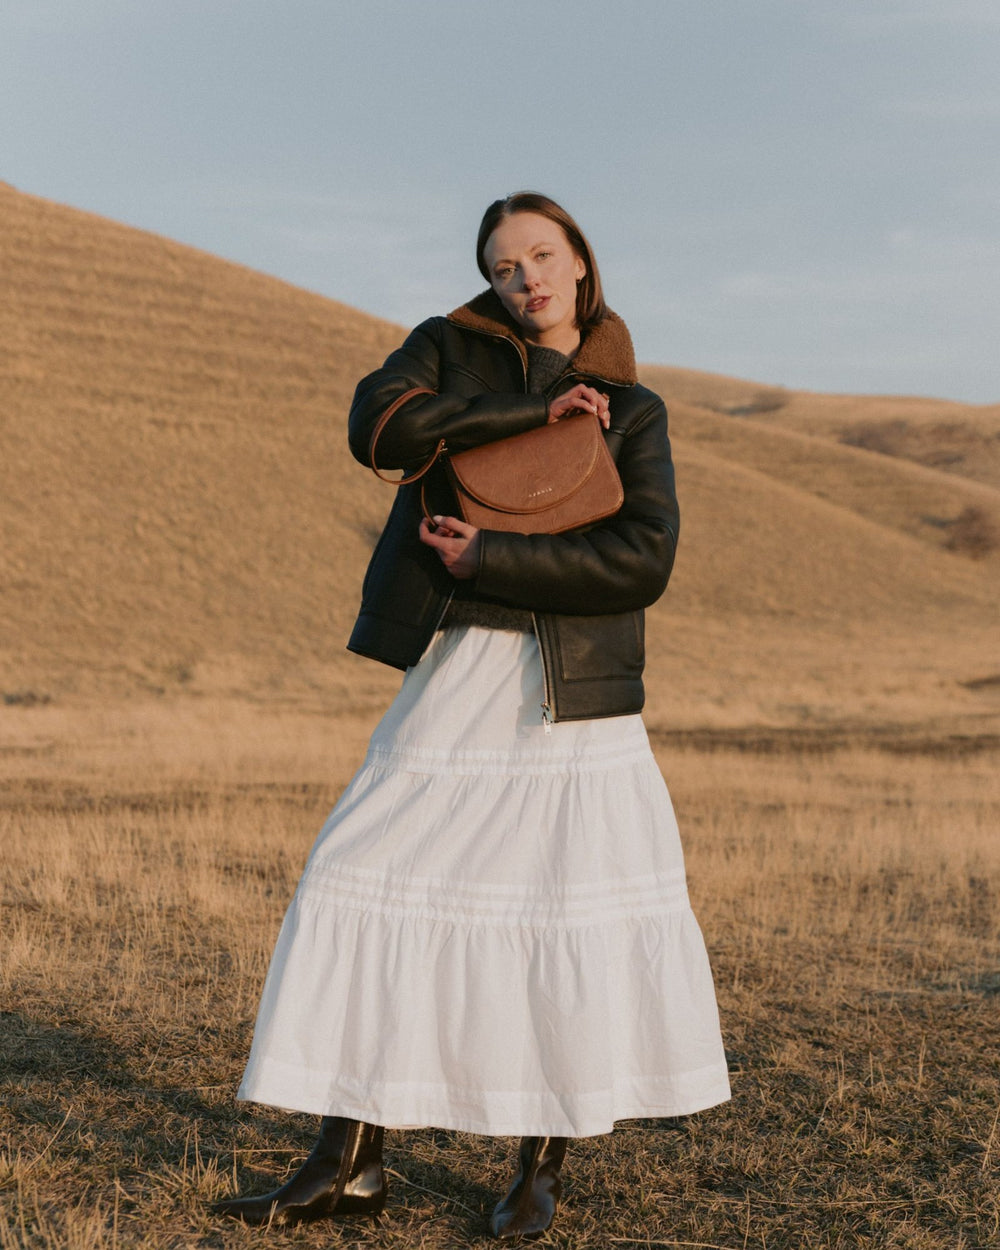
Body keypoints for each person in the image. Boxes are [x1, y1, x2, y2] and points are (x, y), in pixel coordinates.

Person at [213, 191, 730, 1239]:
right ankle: (347, 1160)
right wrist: (529, 414)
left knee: (556, 910)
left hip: (573, 695)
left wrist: (490, 555)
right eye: (502, 265)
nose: (524, 278)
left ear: (578, 260)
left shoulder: (633, 410)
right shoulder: (446, 349)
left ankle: (539, 1165)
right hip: (457, 671)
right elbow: (379, 426)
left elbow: (642, 560)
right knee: (359, 877)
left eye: (541, 255)